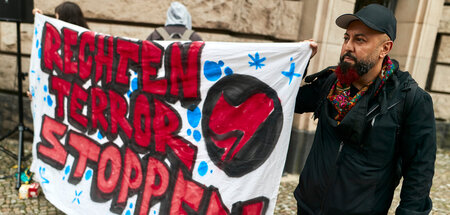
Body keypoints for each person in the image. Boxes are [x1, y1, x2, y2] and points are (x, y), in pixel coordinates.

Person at [294, 4, 436, 215]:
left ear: (385, 48)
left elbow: (419, 173)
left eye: (360, 40)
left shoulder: (409, 100)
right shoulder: (331, 83)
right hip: (308, 207)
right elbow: (288, 101)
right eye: (346, 38)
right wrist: (297, 62)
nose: (348, 47)